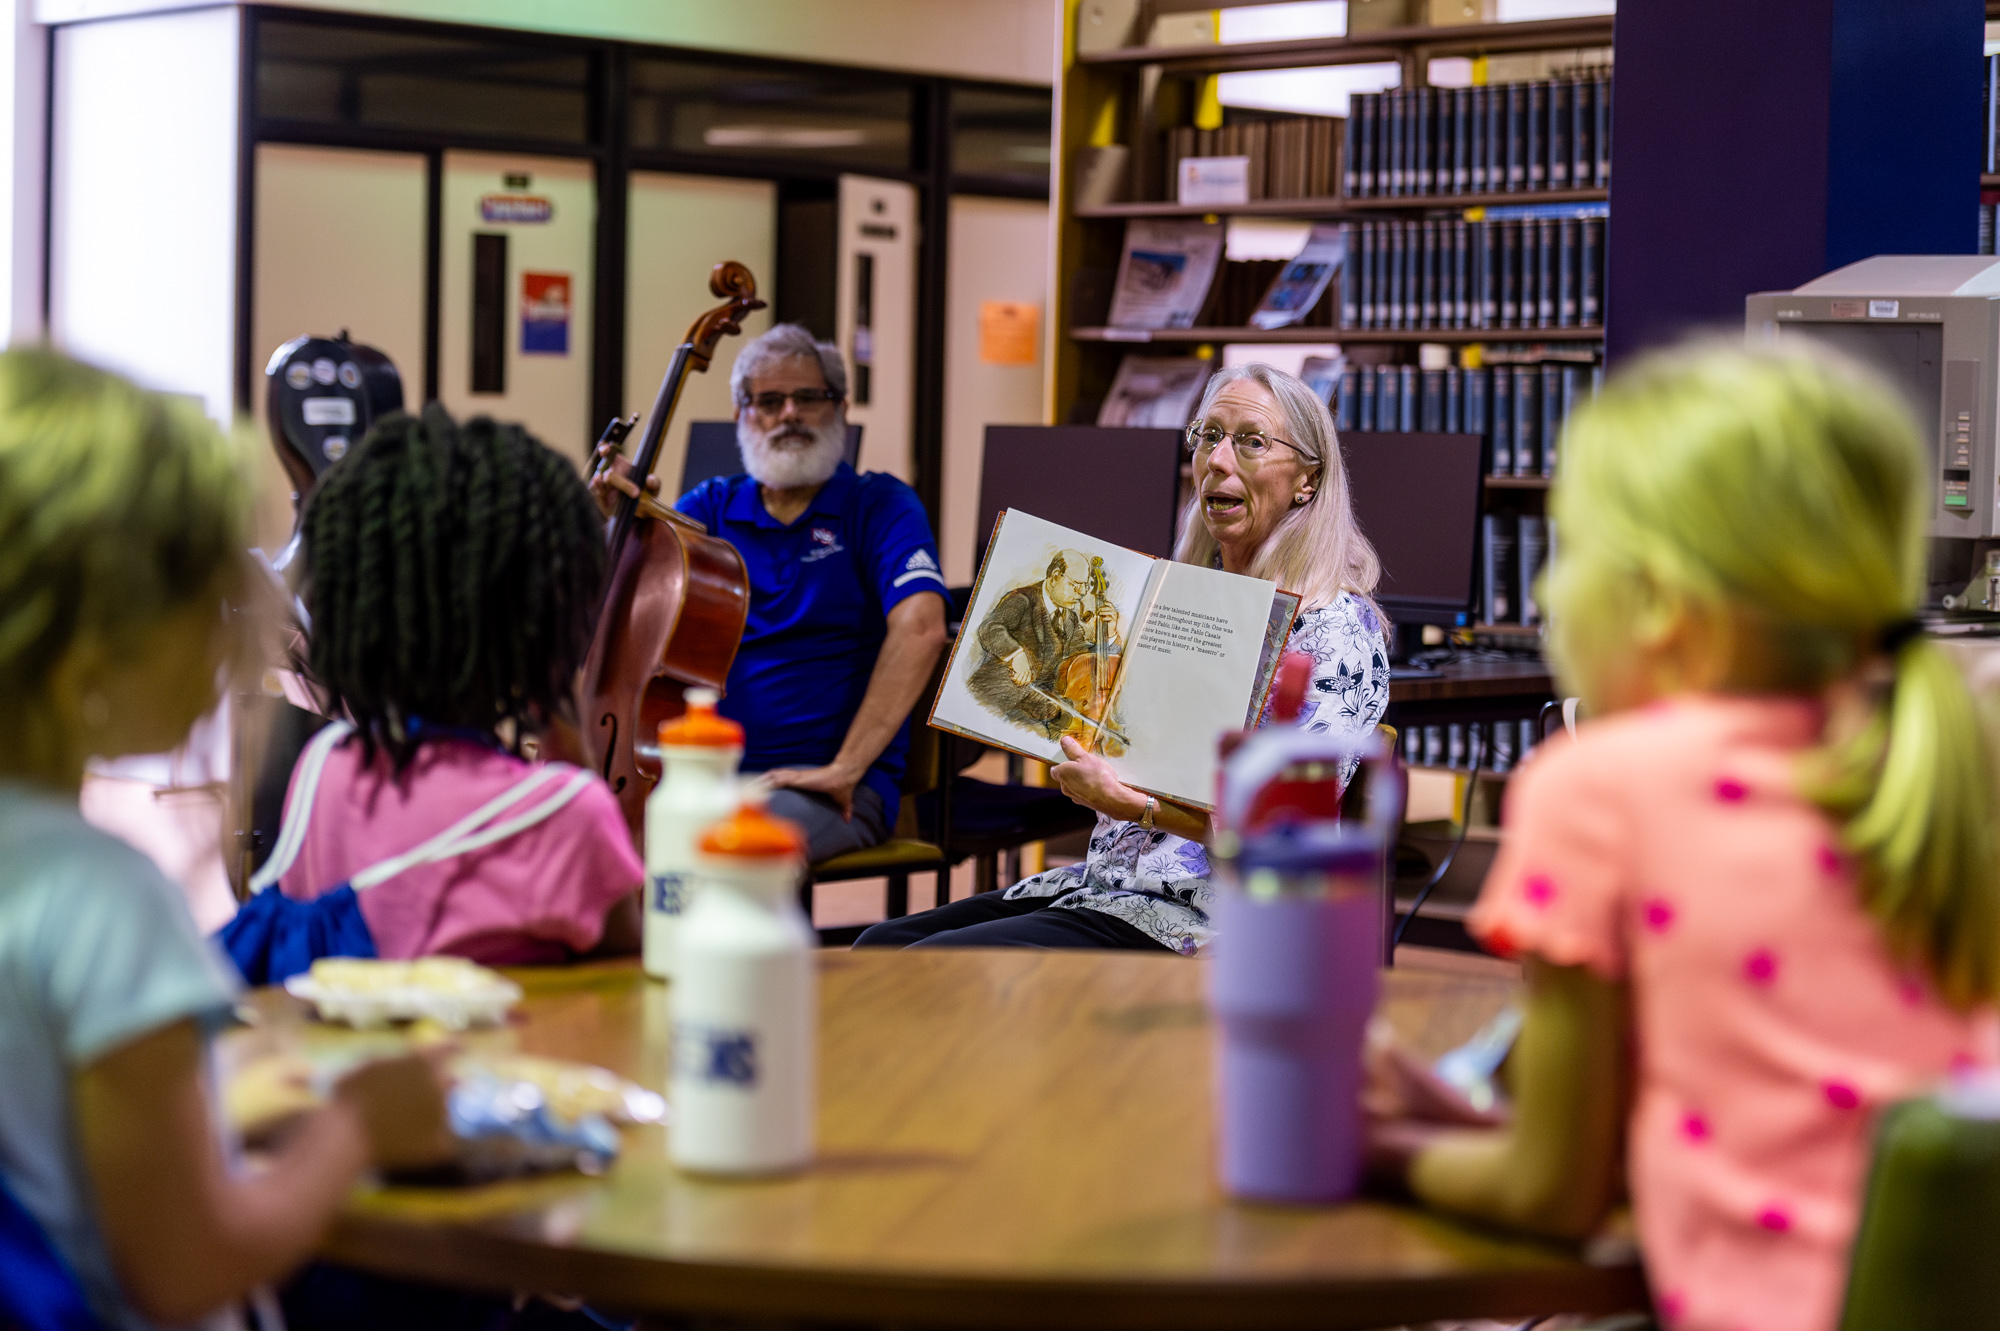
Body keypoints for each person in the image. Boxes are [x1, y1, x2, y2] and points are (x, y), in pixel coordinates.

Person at [1369, 343, 2000, 1331]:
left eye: (1568, 553)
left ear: (1657, 602)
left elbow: (1552, 1193)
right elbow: (1750, 1123)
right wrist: (1444, 1113)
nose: (1543, 598)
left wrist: (1373, 1147)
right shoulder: (1933, 755)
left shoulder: (1597, 787)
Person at [0, 347, 454, 1330]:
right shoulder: (97, 895)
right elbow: (189, 1261)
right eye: (199, 598)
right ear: (96, 636)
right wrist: (355, 1129)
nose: (227, 636)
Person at [857, 363, 1391, 954]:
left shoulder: (1335, 627)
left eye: (1250, 441)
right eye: (1208, 435)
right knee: (878, 947)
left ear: (1307, 480)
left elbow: (1280, 833)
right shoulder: (1184, 597)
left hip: (1211, 915)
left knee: (926, 967)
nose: (1216, 459)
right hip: (1112, 887)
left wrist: (1133, 806)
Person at [246, 405, 643, 968]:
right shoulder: (566, 814)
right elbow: (626, 978)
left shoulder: (323, 771)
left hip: (357, 1056)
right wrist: (569, 744)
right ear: (534, 621)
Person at [596, 323, 948, 863]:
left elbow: (921, 627)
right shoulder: (711, 508)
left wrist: (846, 768)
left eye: (808, 398)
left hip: (828, 788)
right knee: (585, 843)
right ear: (741, 415)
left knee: (706, 854)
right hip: (706, 777)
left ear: (841, 409)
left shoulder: (879, 505)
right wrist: (614, 519)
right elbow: (620, 602)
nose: (789, 414)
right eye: (769, 401)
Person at [965, 548, 1121, 741]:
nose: (1081, 593)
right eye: (1075, 585)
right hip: (1001, 701)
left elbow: (1081, 660)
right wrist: (1016, 654)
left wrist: (1110, 635)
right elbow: (990, 629)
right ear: (1055, 576)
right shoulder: (1021, 599)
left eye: (1085, 587)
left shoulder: (1069, 618)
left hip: (1041, 706)